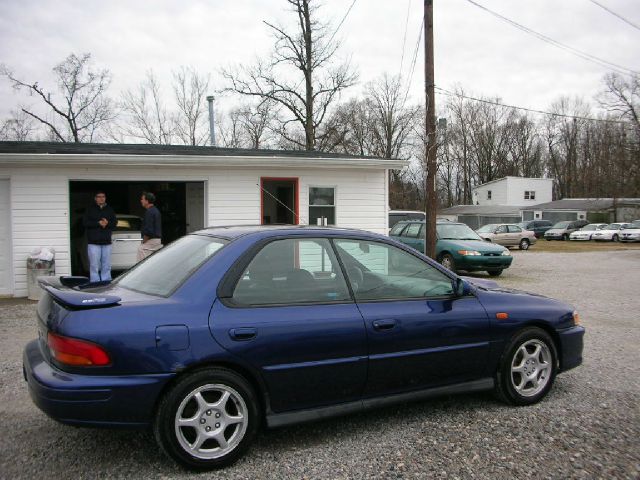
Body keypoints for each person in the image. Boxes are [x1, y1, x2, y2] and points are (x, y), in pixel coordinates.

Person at [83, 191, 116, 283]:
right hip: (93, 242)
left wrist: (107, 223)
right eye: (99, 196)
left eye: (103, 196)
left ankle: (106, 281)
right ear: (95, 198)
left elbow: (115, 223)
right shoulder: (90, 209)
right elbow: (85, 223)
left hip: (106, 241)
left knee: (107, 264)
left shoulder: (109, 209)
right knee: (94, 264)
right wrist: (98, 223)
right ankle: (95, 281)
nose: (101, 198)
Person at [137, 191, 163, 261]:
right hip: (157, 241)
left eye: (142, 199)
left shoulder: (149, 212)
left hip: (151, 241)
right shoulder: (156, 210)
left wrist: (144, 241)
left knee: (141, 261)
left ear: (147, 201)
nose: (141, 201)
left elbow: (149, 230)